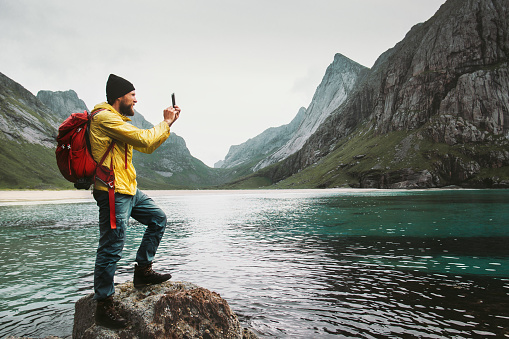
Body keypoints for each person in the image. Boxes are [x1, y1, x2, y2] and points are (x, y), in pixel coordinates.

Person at [89, 74, 181, 329]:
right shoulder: (104, 117)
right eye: (132, 95)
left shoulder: (118, 120)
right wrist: (165, 121)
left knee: (158, 218)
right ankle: (103, 304)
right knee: (112, 245)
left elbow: (147, 146)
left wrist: (168, 125)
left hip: (128, 188)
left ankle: (142, 271)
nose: (136, 99)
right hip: (112, 190)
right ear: (120, 97)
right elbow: (144, 139)